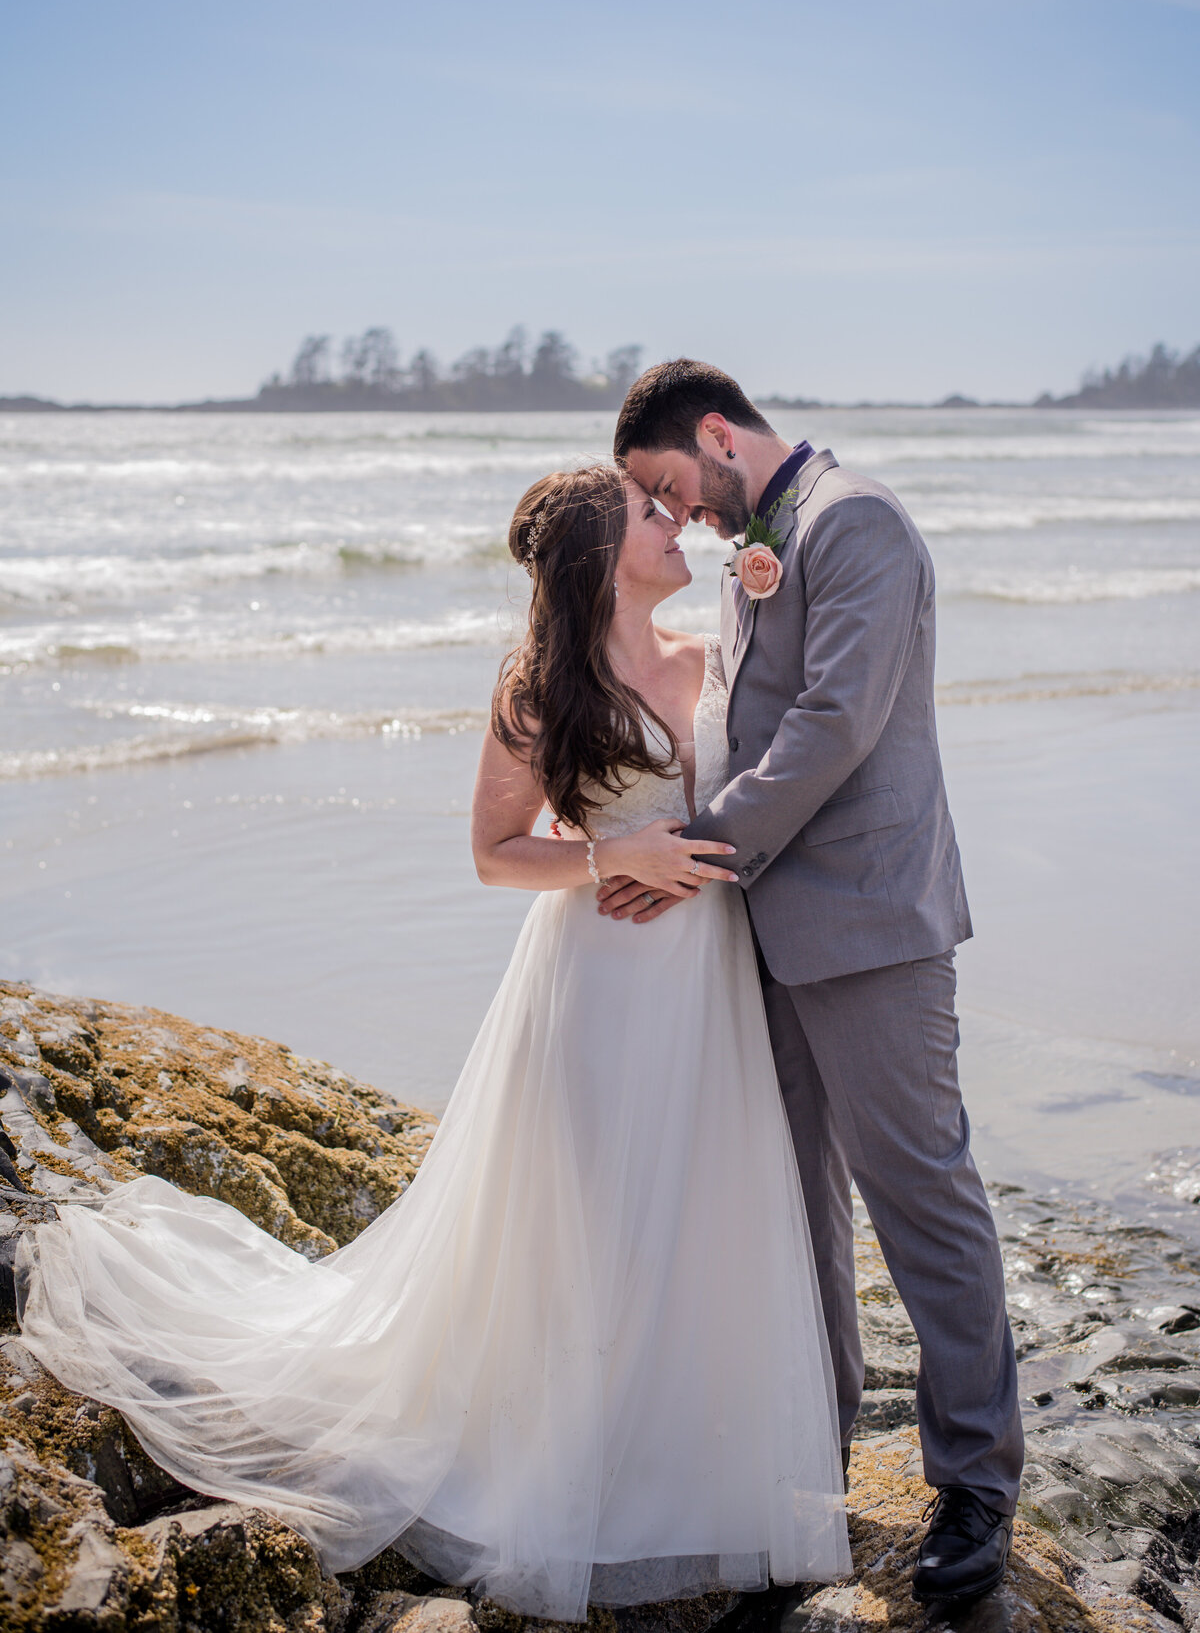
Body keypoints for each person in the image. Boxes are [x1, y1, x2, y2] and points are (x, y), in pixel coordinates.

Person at [16, 463, 849, 1624]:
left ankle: (683, 1463)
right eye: (653, 516)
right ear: (601, 559)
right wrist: (620, 854)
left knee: (698, 1205)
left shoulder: (716, 653)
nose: (677, 525)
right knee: (589, 1220)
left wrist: (773, 586)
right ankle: (571, 1466)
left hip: (708, 980)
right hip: (597, 983)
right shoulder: (540, 686)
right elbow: (498, 852)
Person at [606, 360, 1024, 1606]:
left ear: (718, 433)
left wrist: (694, 851)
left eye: (667, 485)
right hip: (767, 933)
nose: (674, 516)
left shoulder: (859, 524)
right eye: (652, 505)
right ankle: (812, 1454)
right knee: (795, 1210)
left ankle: (978, 1486)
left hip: (874, 925)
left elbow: (836, 721)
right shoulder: (756, 545)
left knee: (923, 1203)